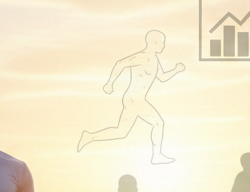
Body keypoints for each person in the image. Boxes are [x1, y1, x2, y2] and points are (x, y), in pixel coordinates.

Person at [77, 30, 185, 163]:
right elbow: (120, 63)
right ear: (154, 42)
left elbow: (161, 77)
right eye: (162, 42)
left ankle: (90, 137)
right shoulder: (143, 57)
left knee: (121, 132)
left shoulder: (154, 59)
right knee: (158, 123)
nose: (163, 45)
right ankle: (156, 156)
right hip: (134, 99)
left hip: (135, 100)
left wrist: (176, 70)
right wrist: (110, 83)